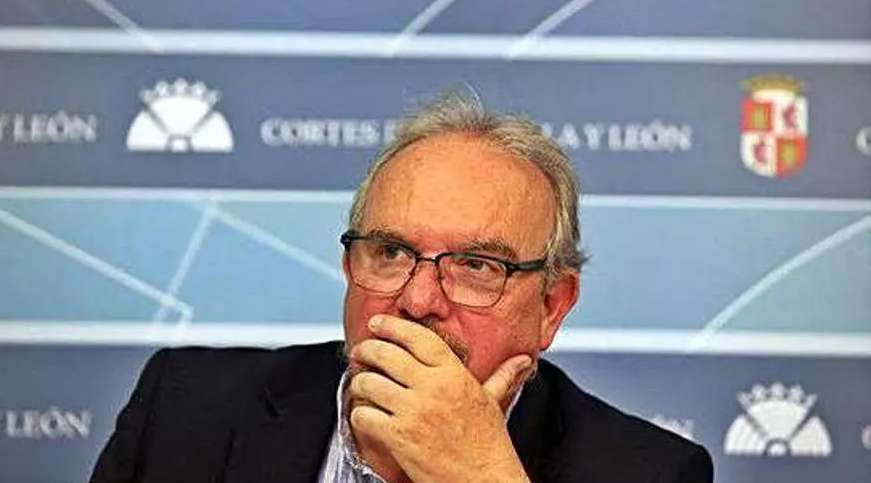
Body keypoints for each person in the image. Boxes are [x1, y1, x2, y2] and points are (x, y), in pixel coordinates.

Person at [90, 92, 713, 483]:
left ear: (552, 306)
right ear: (349, 268)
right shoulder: (182, 411)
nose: (418, 301)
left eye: (476, 266)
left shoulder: (649, 472)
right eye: (390, 253)